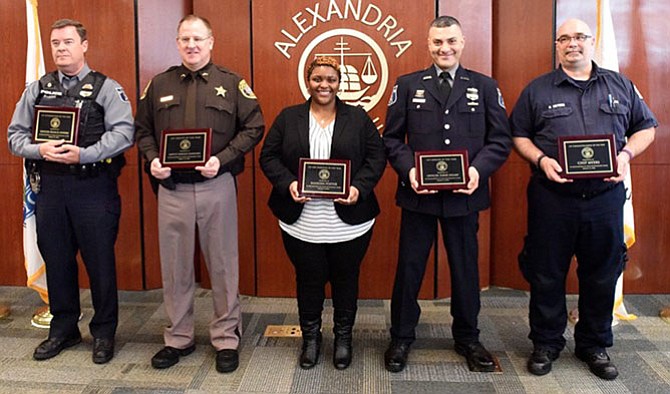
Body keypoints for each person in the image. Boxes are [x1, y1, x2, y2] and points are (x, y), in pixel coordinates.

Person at [510, 19, 657, 381]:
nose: (571, 44)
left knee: (602, 274)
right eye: (564, 39)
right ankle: (546, 343)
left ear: (592, 42)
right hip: (552, 199)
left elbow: (646, 127)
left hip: (605, 199)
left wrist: (625, 156)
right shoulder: (538, 90)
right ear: (557, 46)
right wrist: (541, 160)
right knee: (546, 273)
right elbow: (518, 133)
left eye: (579, 37)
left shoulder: (620, 85)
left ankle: (594, 343)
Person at [134, 14, 264, 373]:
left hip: (215, 185)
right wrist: (151, 159)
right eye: (185, 39)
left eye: (198, 39)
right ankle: (178, 337)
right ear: (177, 43)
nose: (191, 45)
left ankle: (226, 337)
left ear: (211, 42)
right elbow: (142, 129)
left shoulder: (231, 83)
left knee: (223, 264)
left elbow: (254, 126)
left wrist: (222, 160)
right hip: (172, 188)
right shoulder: (158, 85)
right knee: (175, 267)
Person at [382, 16, 512, 373]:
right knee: (410, 268)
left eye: (451, 41)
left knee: (465, 269)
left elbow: (500, 141)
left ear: (462, 42)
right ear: (428, 44)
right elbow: (391, 139)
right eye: (438, 42)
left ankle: (468, 337)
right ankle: (401, 336)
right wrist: (409, 171)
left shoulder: (484, 87)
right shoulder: (407, 85)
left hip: (464, 196)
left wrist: (477, 171)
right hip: (418, 195)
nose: (445, 48)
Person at [7, 19, 134, 364]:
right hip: (50, 187)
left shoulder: (107, 87)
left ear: (84, 45)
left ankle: (104, 332)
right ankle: (63, 328)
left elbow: (124, 133)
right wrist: (39, 150)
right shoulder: (37, 89)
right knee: (58, 261)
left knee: (99, 264)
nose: (61, 49)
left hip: (92, 187)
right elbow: (14, 136)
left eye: (67, 42)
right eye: (55, 43)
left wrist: (85, 153)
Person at [259, 56, 386, 370]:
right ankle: (311, 338)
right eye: (317, 79)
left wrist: (359, 187)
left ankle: (343, 338)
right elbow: (268, 156)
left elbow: (377, 157)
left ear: (339, 82)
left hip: (349, 222)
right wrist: (288, 183)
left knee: (346, 280)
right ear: (308, 81)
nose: (324, 85)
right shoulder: (289, 117)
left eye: (330, 79)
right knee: (309, 280)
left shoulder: (358, 117)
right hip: (302, 221)